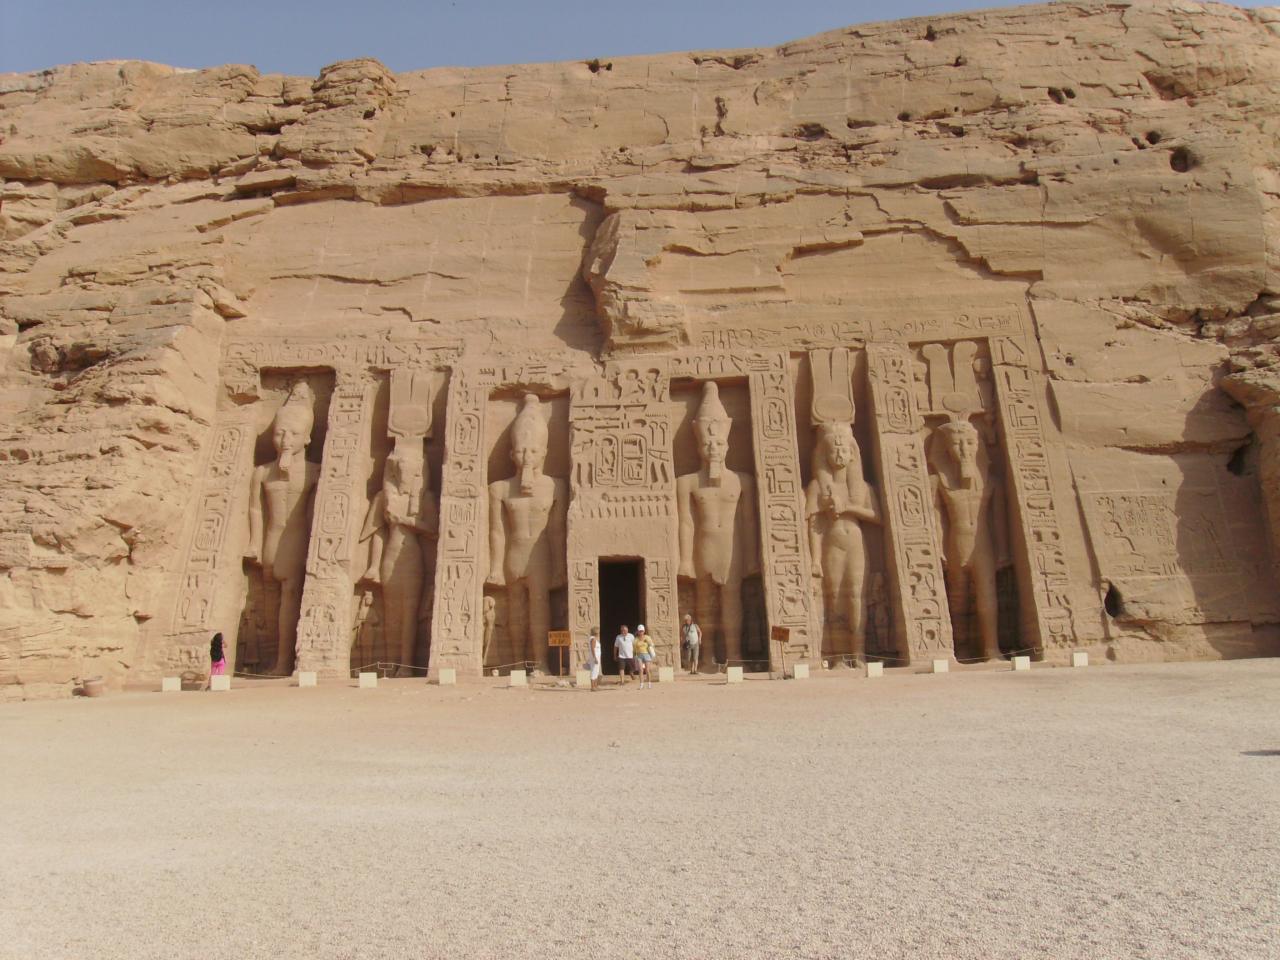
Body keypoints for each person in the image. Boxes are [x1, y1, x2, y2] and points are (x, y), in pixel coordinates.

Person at [634, 624, 653, 689]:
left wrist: (647, 642)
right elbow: (634, 648)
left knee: (647, 670)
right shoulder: (636, 639)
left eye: (642, 631)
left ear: (644, 631)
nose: (641, 632)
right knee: (640, 670)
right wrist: (634, 655)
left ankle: (649, 683)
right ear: (638, 631)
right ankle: (641, 684)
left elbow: (651, 645)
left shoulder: (647, 637)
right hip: (639, 655)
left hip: (646, 654)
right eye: (640, 631)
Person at [585, 625, 602, 691]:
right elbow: (592, 648)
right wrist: (595, 657)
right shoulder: (593, 639)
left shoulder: (593, 638)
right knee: (594, 671)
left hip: (596, 656)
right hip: (595, 657)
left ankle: (595, 686)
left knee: (596, 671)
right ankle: (592, 686)